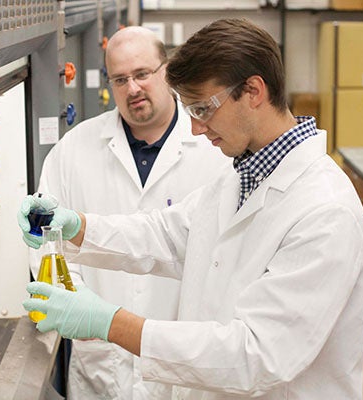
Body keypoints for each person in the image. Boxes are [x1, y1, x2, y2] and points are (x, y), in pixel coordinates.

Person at [19, 18, 363, 399]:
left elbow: (255, 354)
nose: (195, 129)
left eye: (204, 108)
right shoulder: (242, 176)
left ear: (253, 91)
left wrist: (111, 323)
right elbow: (168, 235)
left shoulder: (326, 212)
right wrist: (77, 226)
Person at [22, 26, 230, 399]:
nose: (132, 88)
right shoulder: (75, 149)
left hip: (184, 366)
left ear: (167, 70)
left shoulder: (214, 148)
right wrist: (80, 307)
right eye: (120, 79)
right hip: (101, 364)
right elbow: (47, 246)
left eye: (142, 74)